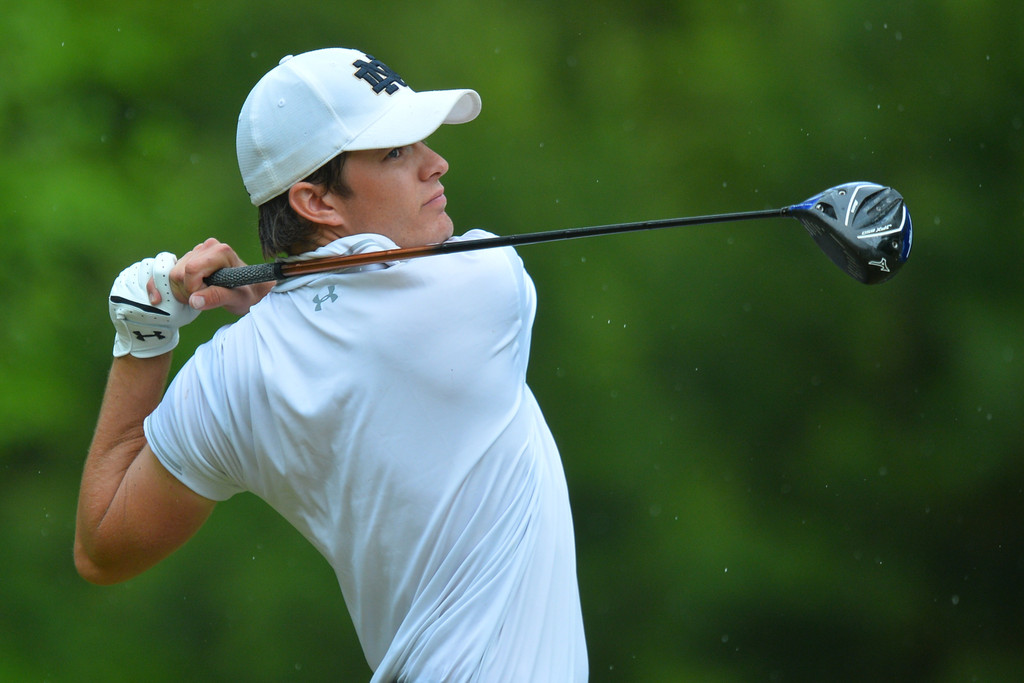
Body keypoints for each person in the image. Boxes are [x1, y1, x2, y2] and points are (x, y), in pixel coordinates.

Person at [75, 48, 588, 681]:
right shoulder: (484, 285)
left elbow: (102, 548)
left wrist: (144, 333)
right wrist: (282, 297)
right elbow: (364, 312)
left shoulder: (232, 375)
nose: (437, 163)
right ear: (316, 202)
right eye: (396, 153)